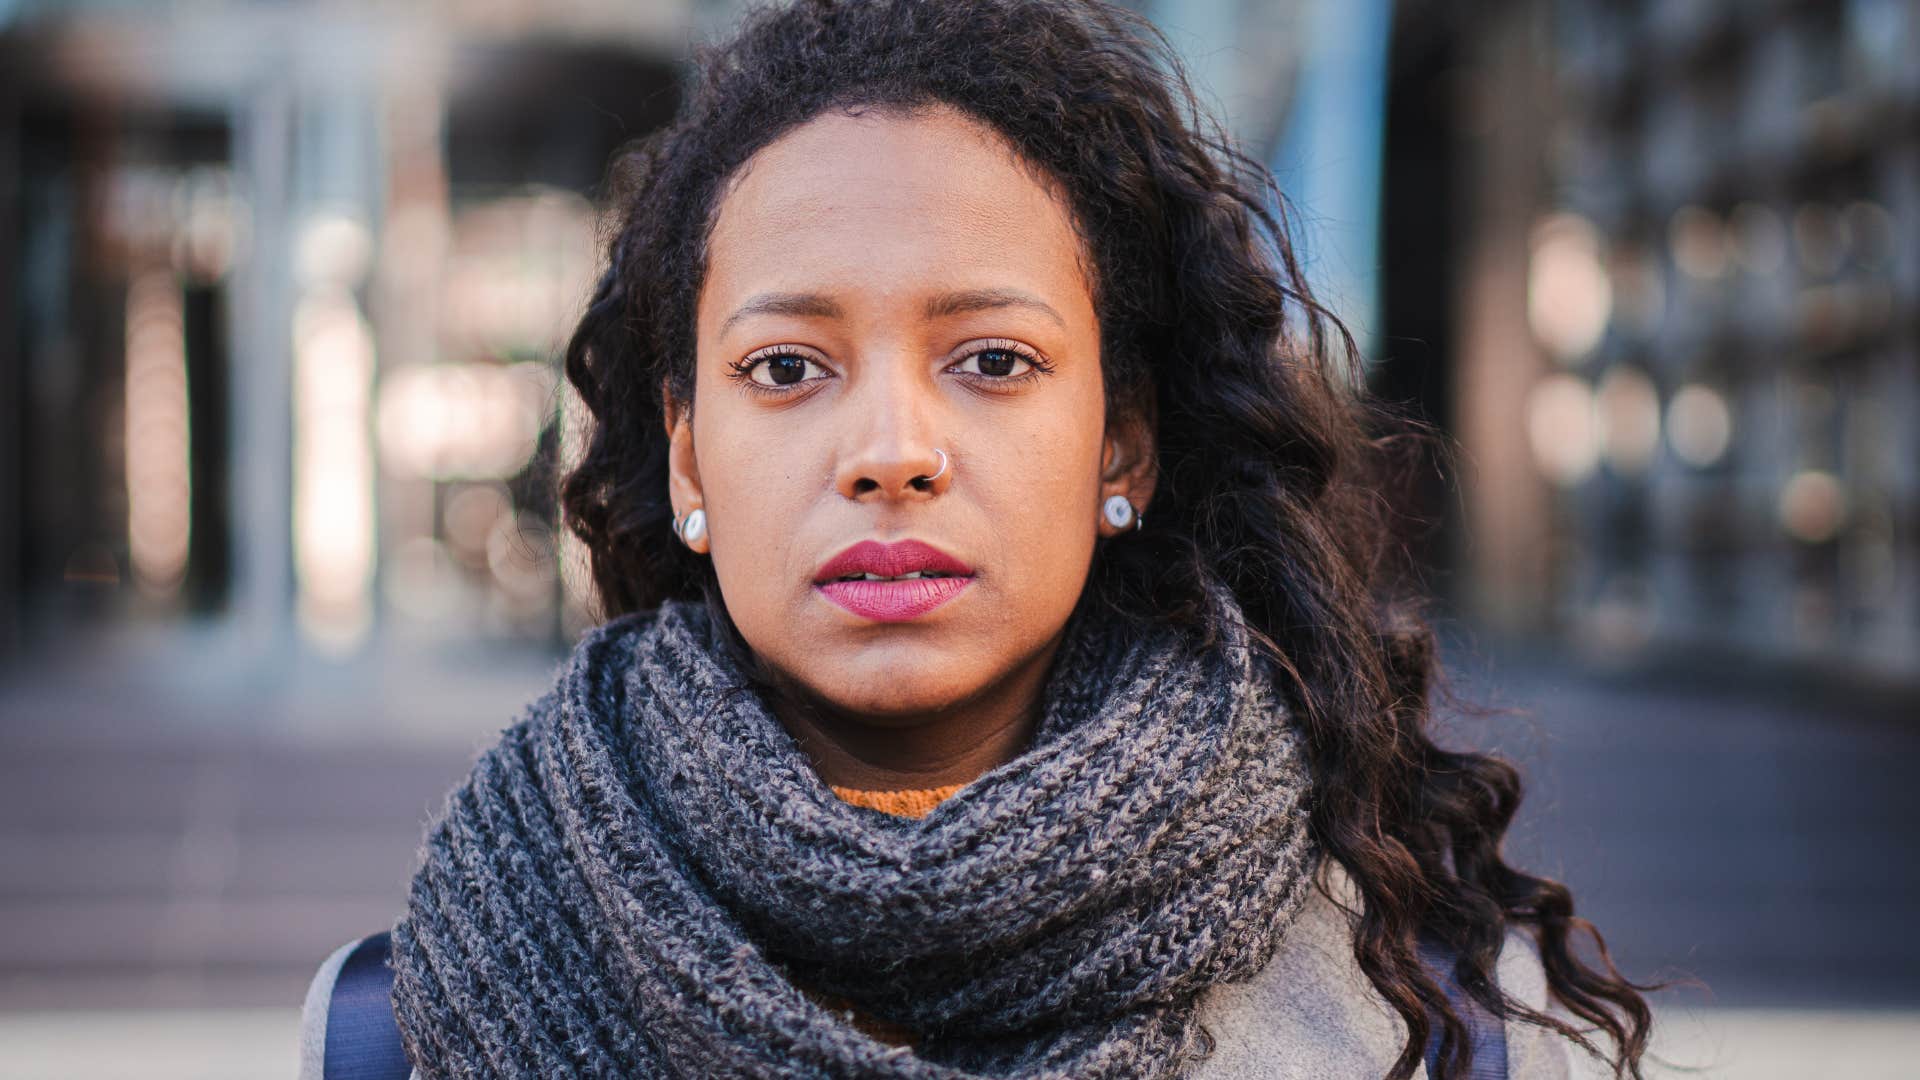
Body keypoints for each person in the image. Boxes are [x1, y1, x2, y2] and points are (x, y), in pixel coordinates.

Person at [300, 0, 1662, 1076]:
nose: (891, 451)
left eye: (994, 359)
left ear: (1120, 445)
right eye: (787, 368)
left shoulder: (1451, 1030)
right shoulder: (400, 1032)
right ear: (688, 451)